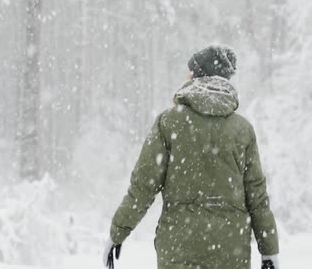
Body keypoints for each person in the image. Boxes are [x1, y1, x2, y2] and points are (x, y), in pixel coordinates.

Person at [103, 45, 280, 269]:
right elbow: (257, 198)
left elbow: (143, 187)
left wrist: (118, 232)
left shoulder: (169, 123)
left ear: (196, 76)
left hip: (179, 248)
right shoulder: (242, 129)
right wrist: (269, 251)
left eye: (190, 71)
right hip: (230, 250)